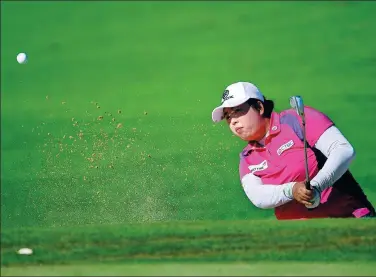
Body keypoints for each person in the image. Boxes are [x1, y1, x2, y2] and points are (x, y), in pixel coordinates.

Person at [211, 81, 375, 220]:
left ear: (259, 107)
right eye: (228, 117)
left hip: (350, 219)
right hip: (299, 239)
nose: (233, 122)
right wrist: (292, 190)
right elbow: (258, 196)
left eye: (238, 111)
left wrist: (317, 187)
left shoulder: (297, 120)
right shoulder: (247, 157)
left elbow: (343, 150)